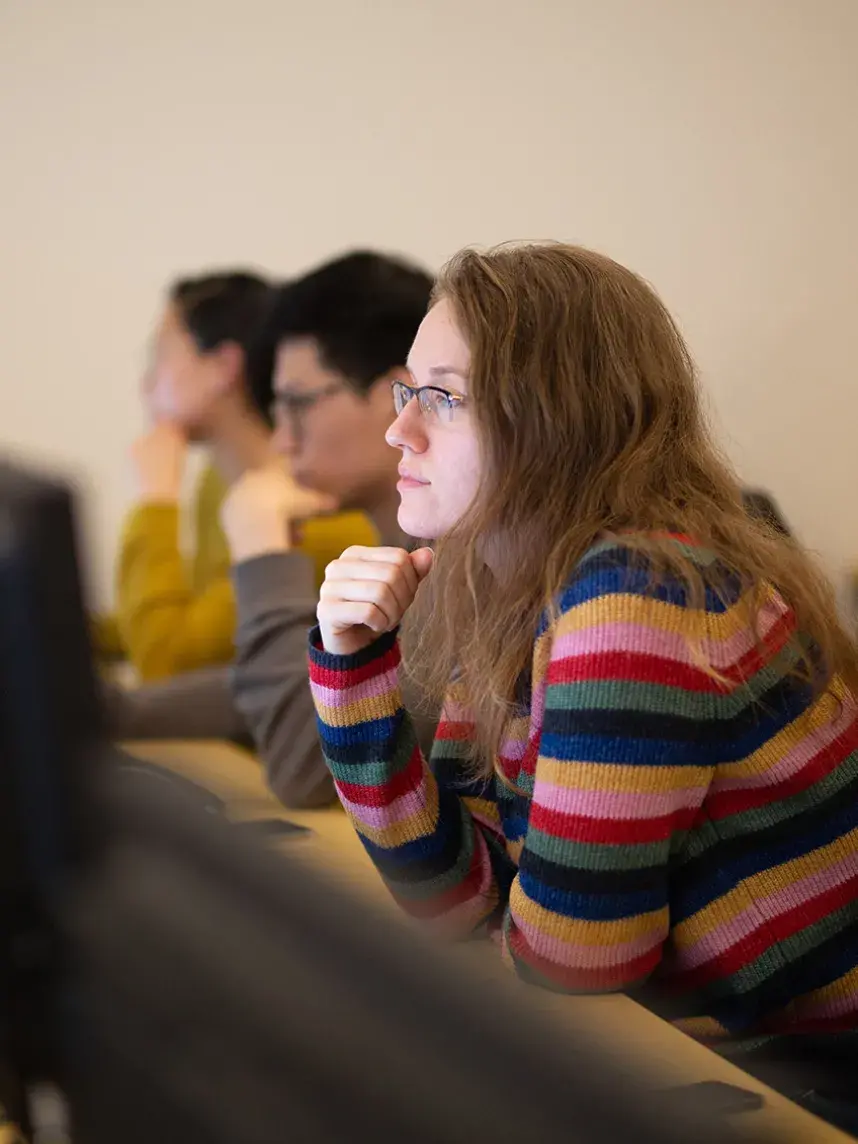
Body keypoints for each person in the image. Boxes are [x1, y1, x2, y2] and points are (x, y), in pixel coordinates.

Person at [306, 243, 858, 1120]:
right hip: (705, 1061)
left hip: (806, 1085)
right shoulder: (507, 586)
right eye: (407, 391)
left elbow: (570, 967)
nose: (398, 431)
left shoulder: (635, 596)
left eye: (442, 397)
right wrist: (349, 667)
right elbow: (456, 897)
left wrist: (487, 941)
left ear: (553, 418)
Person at [221, 251, 437, 806]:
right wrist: (106, 709)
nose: (281, 441)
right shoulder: (400, 550)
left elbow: (301, 764)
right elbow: (292, 687)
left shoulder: (452, 568)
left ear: (397, 394)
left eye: (298, 404)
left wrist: (262, 553)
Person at [96, 270, 373, 683]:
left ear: (223, 366)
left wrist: (154, 502)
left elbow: (164, 660)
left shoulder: (309, 518)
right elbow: (181, 617)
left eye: (162, 354)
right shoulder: (217, 481)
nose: (147, 381)